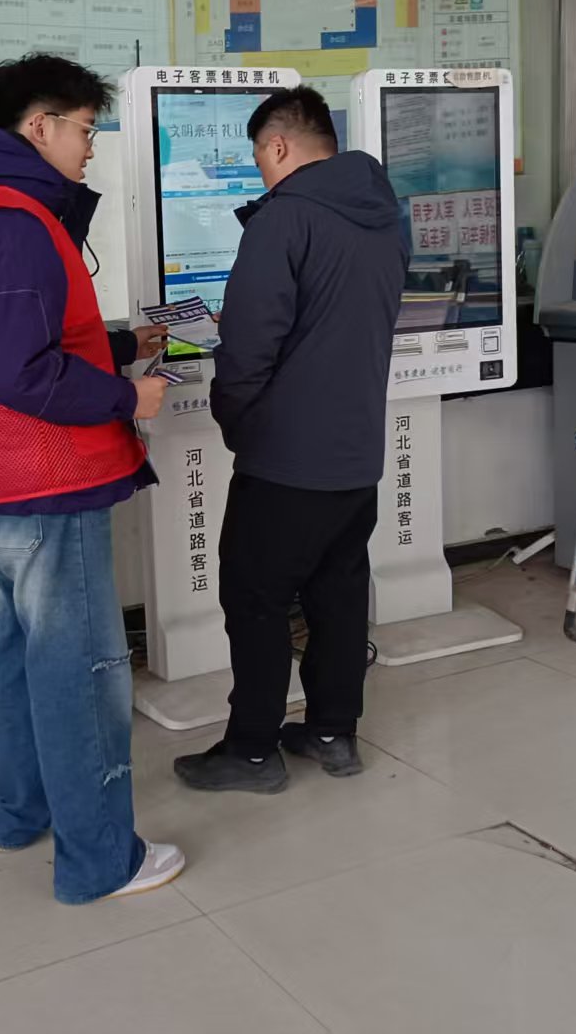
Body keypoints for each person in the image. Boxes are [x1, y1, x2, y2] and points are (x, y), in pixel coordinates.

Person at [0, 53, 185, 903]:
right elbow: (23, 372)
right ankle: (98, 859)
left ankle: (23, 810)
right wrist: (127, 395)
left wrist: (121, 346)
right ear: (38, 127)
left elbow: (29, 339)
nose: (90, 147)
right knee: (80, 668)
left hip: (8, 479)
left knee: (22, 650)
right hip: (49, 477)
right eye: (84, 129)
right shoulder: (16, 223)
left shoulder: (5, 212)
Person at [174, 85, 403, 794]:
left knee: (256, 598)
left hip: (286, 458)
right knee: (339, 592)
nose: (261, 172)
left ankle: (251, 750)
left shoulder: (284, 218)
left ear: (277, 145)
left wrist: (237, 419)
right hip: (356, 452)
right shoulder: (384, 216)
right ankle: (334, 732)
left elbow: (248, 348)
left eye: (259, 158)